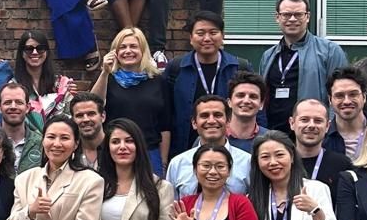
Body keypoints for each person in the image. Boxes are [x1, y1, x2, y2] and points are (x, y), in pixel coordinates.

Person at [258, 0, 347, 134]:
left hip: (312, 135)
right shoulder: (268, 56)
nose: (292, 19)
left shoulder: (330, 51)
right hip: (273, 134)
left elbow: (340, 95)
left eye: (298, 14)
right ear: (277, 17)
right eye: (286, 15)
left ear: (308, 17)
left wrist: (329, 131)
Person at [163, 12, 246, 159]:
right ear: (191, 38)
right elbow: (166, 114)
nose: (207, 38)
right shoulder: (176, 68)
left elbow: (256, 111)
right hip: (184, 147)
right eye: (200, 33)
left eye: (213, 32)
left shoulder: (239, 67)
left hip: (231, 147)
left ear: (222, 36)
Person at [93, 28, 172, 173]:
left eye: (133, 46)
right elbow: (93, 106)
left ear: (143, 50)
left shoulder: (158, 80)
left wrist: (163, 161)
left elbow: (165, 125)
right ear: (115, 52)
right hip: (115, 152)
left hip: (149, 152)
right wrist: (105, 72)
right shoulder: (108, 79)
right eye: (122, 47)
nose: (128, 51)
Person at [165, 95, 253, 197]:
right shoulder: (178, 164)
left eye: (218, 115)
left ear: (228, 121)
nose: (211, 121)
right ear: (194, 123)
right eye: (204, 115)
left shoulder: (248, 162)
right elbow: (171, 207)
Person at [12, 30, 75, 125]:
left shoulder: (62, 85)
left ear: (47, 52)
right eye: (29, 49)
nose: (34, 52)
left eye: (40, 48)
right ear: (22, 53)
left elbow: (70, 115)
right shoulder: (13, 87)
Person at [290, 98, 351, 193]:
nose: (311, 125)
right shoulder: (280, 162)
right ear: (292, 123)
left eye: (318, 121)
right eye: (304, 120)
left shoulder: (342, 165)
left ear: (327, 126)